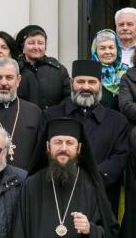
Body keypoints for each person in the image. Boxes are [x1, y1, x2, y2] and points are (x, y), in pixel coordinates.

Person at [44, 60, 130, 208]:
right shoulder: (51, 116)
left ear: (100, 84)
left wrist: (88, 179)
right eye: (80, 82)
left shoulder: (118, 121)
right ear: (72, 84)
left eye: (92, 82)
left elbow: (119, 158)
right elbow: (43, 152)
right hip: (58, 193)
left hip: (102, 196)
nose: (85, 87)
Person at [16, 25, 70, 111]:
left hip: (51, 121)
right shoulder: (14, 70)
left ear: (45, 47)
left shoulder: (59, 70)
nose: (36, 47)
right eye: (31, 43)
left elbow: (69, 97)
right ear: (23, 47)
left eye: (40, 43)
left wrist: (55, 113)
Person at [89, 29, 127, 110]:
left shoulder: (127, 73)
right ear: (95, 51)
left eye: (111, 47)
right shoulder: (89, 74)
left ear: (118, 49)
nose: (107, 52)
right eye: (102, 48)